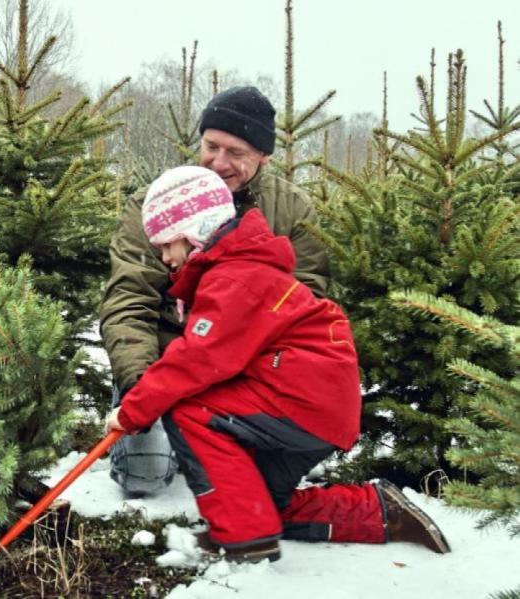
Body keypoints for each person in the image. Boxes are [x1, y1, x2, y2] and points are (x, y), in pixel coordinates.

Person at [103, 165, 451, 563]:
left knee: (188, 409)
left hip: (300, 402)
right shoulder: (238, 269)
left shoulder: (234, 278)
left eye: (167, 244)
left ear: (194, 231)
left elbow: (195, 360)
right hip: (315, 407)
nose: (164, 257)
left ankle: (246, 542)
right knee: (255, 503)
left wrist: (133, 411)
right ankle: (379, 512)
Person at [100, 86, 328, 496]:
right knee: (144, 476)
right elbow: (128, 299)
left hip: (248, 369)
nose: (218, 162)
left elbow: (307, 303)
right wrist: (140, 388)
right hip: (165, 362)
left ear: (264, 157)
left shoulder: (291, 210)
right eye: (211, 146)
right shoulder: (155, 203)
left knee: (251, 486)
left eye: (236, 153)